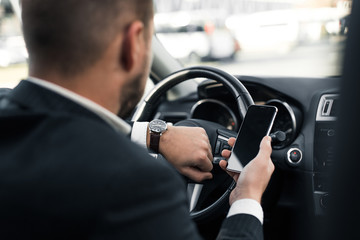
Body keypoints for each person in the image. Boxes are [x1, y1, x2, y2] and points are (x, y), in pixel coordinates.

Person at [0, 0, 274, 239]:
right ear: (133, 43)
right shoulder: (134, 184)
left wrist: (159, 136)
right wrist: (246, 198)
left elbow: (59, 125)